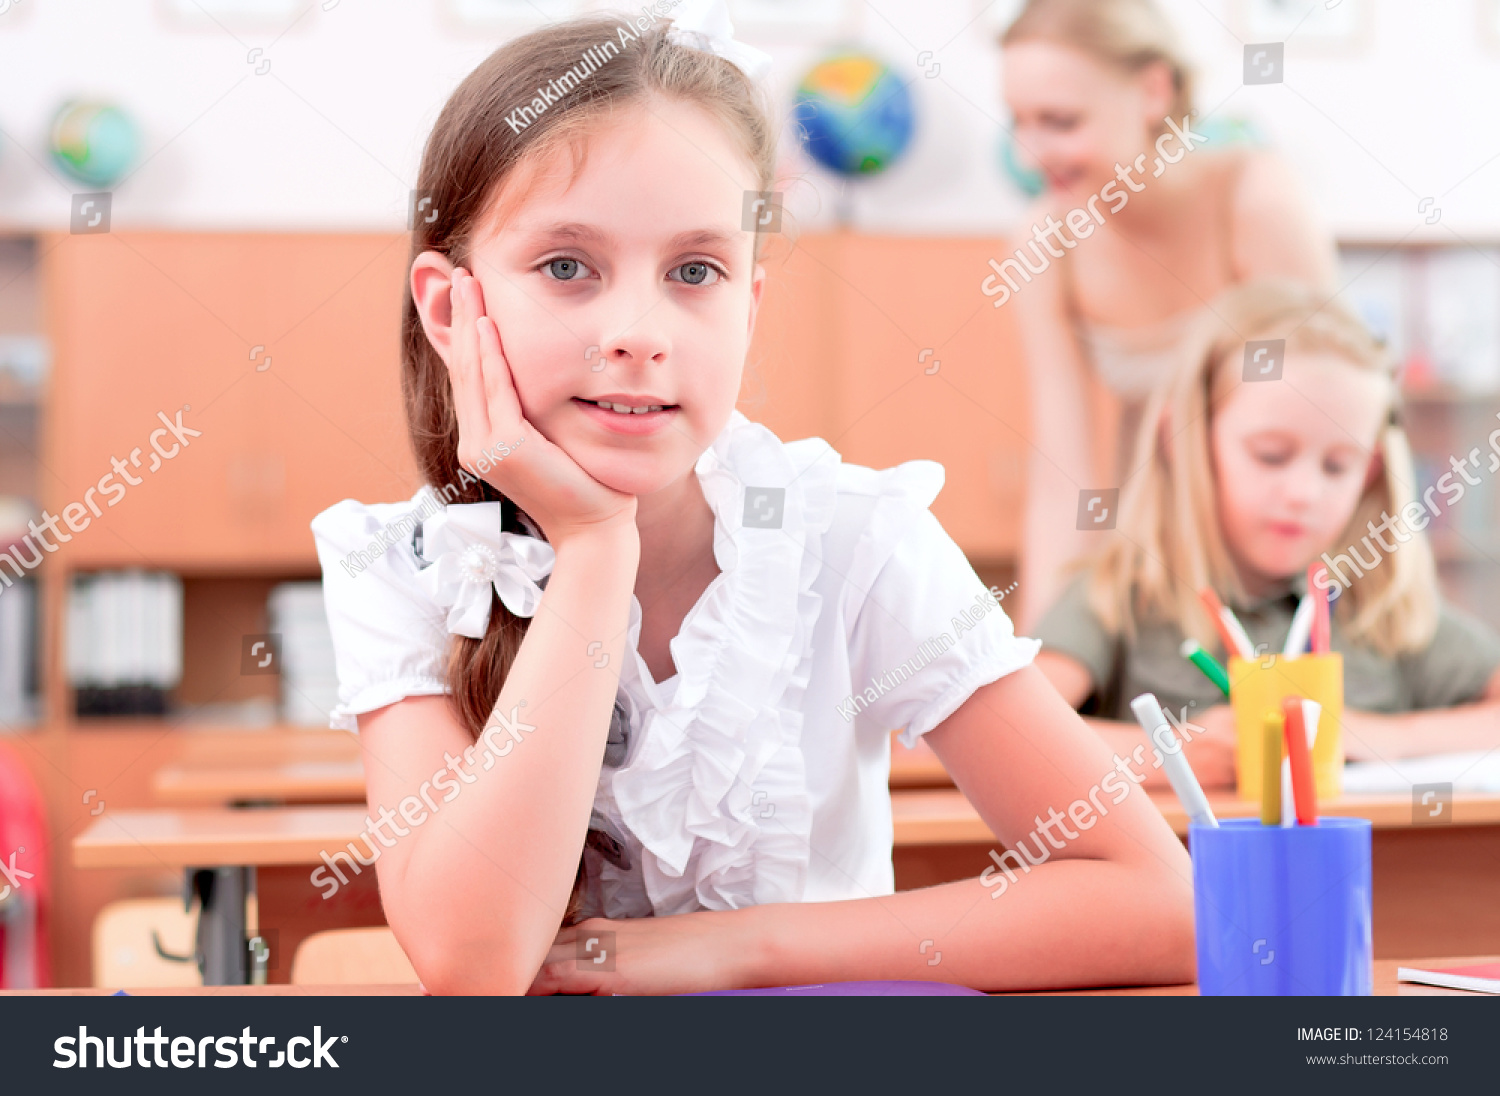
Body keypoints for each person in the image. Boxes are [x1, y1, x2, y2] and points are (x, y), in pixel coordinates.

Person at [309, 2, 1191, 995]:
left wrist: (743, 947)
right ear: (449, 306)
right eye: (567, 266)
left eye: (696, 270)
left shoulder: (852, 536)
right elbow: (475, 968)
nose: (641, 330)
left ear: (750, 307)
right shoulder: (404, 567)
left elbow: (1161, 902)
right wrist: (596, 550)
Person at [1032, 280, 1500, 789]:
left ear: (1370, 473)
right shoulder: (1117, 595)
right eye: (1270, 455)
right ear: (1183, 443)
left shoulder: (1382, 610)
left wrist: (1383, 738)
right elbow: (1016, 734)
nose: (1303, 493)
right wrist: (1163, 753)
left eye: (1338, 466)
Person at [997, 0, 1338, 629]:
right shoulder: (1044, 244)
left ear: (1154, 90)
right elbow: (1064, 481)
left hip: (1286, 550)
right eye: (1018, 122)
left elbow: (1335, 419)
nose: (1030, 152)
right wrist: (1038, 650)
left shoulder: (1254, 199)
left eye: (1061, 120)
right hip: (1148, 556)